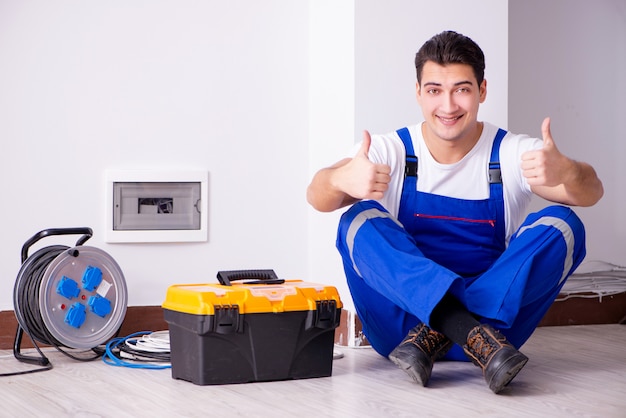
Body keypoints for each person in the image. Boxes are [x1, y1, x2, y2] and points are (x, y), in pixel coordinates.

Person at [306, 30, 603, 394]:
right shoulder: (393, 149)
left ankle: (441, 333)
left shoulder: (509, 152)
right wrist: (341, 179)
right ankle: (462, 327)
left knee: (565, 223)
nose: (448, 106)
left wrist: (569, 172)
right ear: (418, 93)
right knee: (357, 218)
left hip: (493, 331)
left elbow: (592, 192)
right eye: (434, 90)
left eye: (461, 89)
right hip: (407, 334)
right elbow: (317, 196)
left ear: (482, 91)